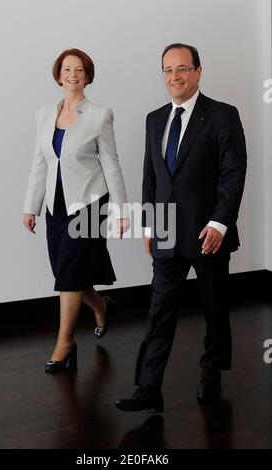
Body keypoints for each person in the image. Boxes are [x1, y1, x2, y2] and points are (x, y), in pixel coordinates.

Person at [115, 43, 247, 411]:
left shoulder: (222, 115)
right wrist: (148, 226)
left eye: (183, 69)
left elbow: (233, 174)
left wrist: (220, 222)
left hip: (208, 233)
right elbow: (151, 178)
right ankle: (148, 388)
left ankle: (212, 370)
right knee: (159, 310)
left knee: (214, 308)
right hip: (167, 232)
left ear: (199, 72)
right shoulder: (154, 119)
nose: (175, 76)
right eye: (168, 70)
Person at [23, 48, 128, 373]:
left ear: (87, 75)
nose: (72, 74)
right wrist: (31, 206)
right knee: (66, 272)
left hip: (88, 203)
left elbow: (110, 162)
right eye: (66, 69)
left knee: (69, 273)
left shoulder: (100, 114)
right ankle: (100, 306)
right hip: (55, 204)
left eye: (79, 69)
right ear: (58, 75)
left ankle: (64, 343)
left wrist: (122, 210)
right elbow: (40, 163)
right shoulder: (44, 114)